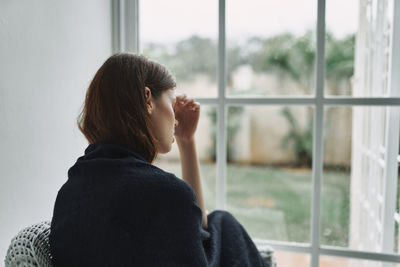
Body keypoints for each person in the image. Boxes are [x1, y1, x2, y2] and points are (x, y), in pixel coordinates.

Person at [49, 53, 268, 267]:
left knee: (218, 222)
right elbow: (197, 228)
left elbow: (194, 227)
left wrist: (186, 141)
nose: (176, 119)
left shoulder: (69, 192)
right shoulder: (165, 194)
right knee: (224, 223)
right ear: (147, 99)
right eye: (172, 105)